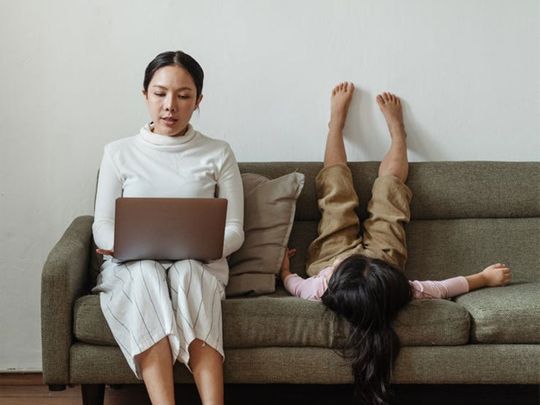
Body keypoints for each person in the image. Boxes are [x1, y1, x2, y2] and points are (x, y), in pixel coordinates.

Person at [280, 82, 512, 405]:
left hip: (332, 260)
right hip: (381, 261)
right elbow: (444, 287)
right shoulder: (398, 288)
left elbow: (294, 285)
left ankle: (335, 124)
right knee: (390, 193)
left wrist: (285, 269)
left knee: (335, 194)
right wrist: (484, 278)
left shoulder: (320, 287)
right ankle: (399, 134)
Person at [92, 50, 244, 405]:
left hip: (200, 264)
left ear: (199, 100)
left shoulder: (218, 153)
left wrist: (202, 247)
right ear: (145, 95)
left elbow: (235, 229)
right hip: (132, 266)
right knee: (146, 273)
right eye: (160, 94)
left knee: (188, 272)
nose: (170, 106)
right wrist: (119, 243)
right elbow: (102, 225)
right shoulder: (118, 152)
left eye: (183, 95)